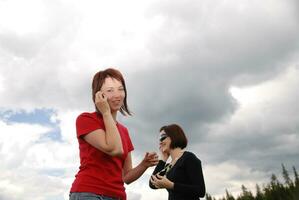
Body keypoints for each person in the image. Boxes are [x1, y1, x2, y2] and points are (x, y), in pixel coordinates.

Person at [70, 68, 159, 200]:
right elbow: (114, 148)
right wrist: (106, 113)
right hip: (89, 192)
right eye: (110, 90)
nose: (117, 95)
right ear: (99, 95)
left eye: (121, 89)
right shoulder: (86, 119)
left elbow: (126, 177)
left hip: (117, 196)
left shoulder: (124, 131)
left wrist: (144, 164)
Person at [149, 124, 206, 200]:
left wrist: (172, 185)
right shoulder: (169, 166)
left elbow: (200, 191)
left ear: (173, 136)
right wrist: (163, 160)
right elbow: (152, 183)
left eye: (162, 137)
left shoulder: (189, 158)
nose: (160, 142)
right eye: (159, 139)